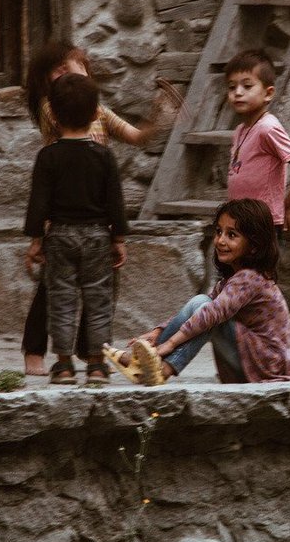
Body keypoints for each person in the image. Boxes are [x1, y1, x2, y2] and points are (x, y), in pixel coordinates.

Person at [21, 40, 180, 376]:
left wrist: (158, 116)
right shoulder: (53, 106)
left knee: (89, 295)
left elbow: (137, 137)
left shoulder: (96, 112)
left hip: (75, 224)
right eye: (60, 69)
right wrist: (118, 236)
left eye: (74, 67)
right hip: (76, 221)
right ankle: (53, 355)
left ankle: (84, 357)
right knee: (60, 293)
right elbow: (115, 198)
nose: (68, 74)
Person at [103, 198, 290, 386]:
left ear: (254, 246)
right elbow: (198, 311)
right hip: (253, 361)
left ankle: (162, 368)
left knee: (205, 309)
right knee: (203, 303)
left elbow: (209, 313)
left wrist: (170, 344)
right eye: (219, 232)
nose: (220, 240)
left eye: (232, 235)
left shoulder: (250, 278)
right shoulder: (232, 280)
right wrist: (158, 331)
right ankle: (145, 361)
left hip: (268, 365)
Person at [24, 73, 128, 385]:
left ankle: (65, 365)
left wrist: (35, 241)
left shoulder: (48, 156)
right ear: (97, 113)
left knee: (62, 299)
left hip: (60, 237)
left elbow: (38, 203)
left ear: (52, 115)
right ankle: (96, 365)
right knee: (98, 300)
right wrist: (119, 238)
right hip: (97, 235)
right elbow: (115, 201)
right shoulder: (104, 156)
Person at [224, 49, 290, 233]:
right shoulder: (240, 131)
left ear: (268, 93)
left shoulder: (268, 128)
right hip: (240, 221)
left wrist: (286, 205)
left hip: (264, 223)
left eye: (247, 86)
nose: (238, 93)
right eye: (232, 87)